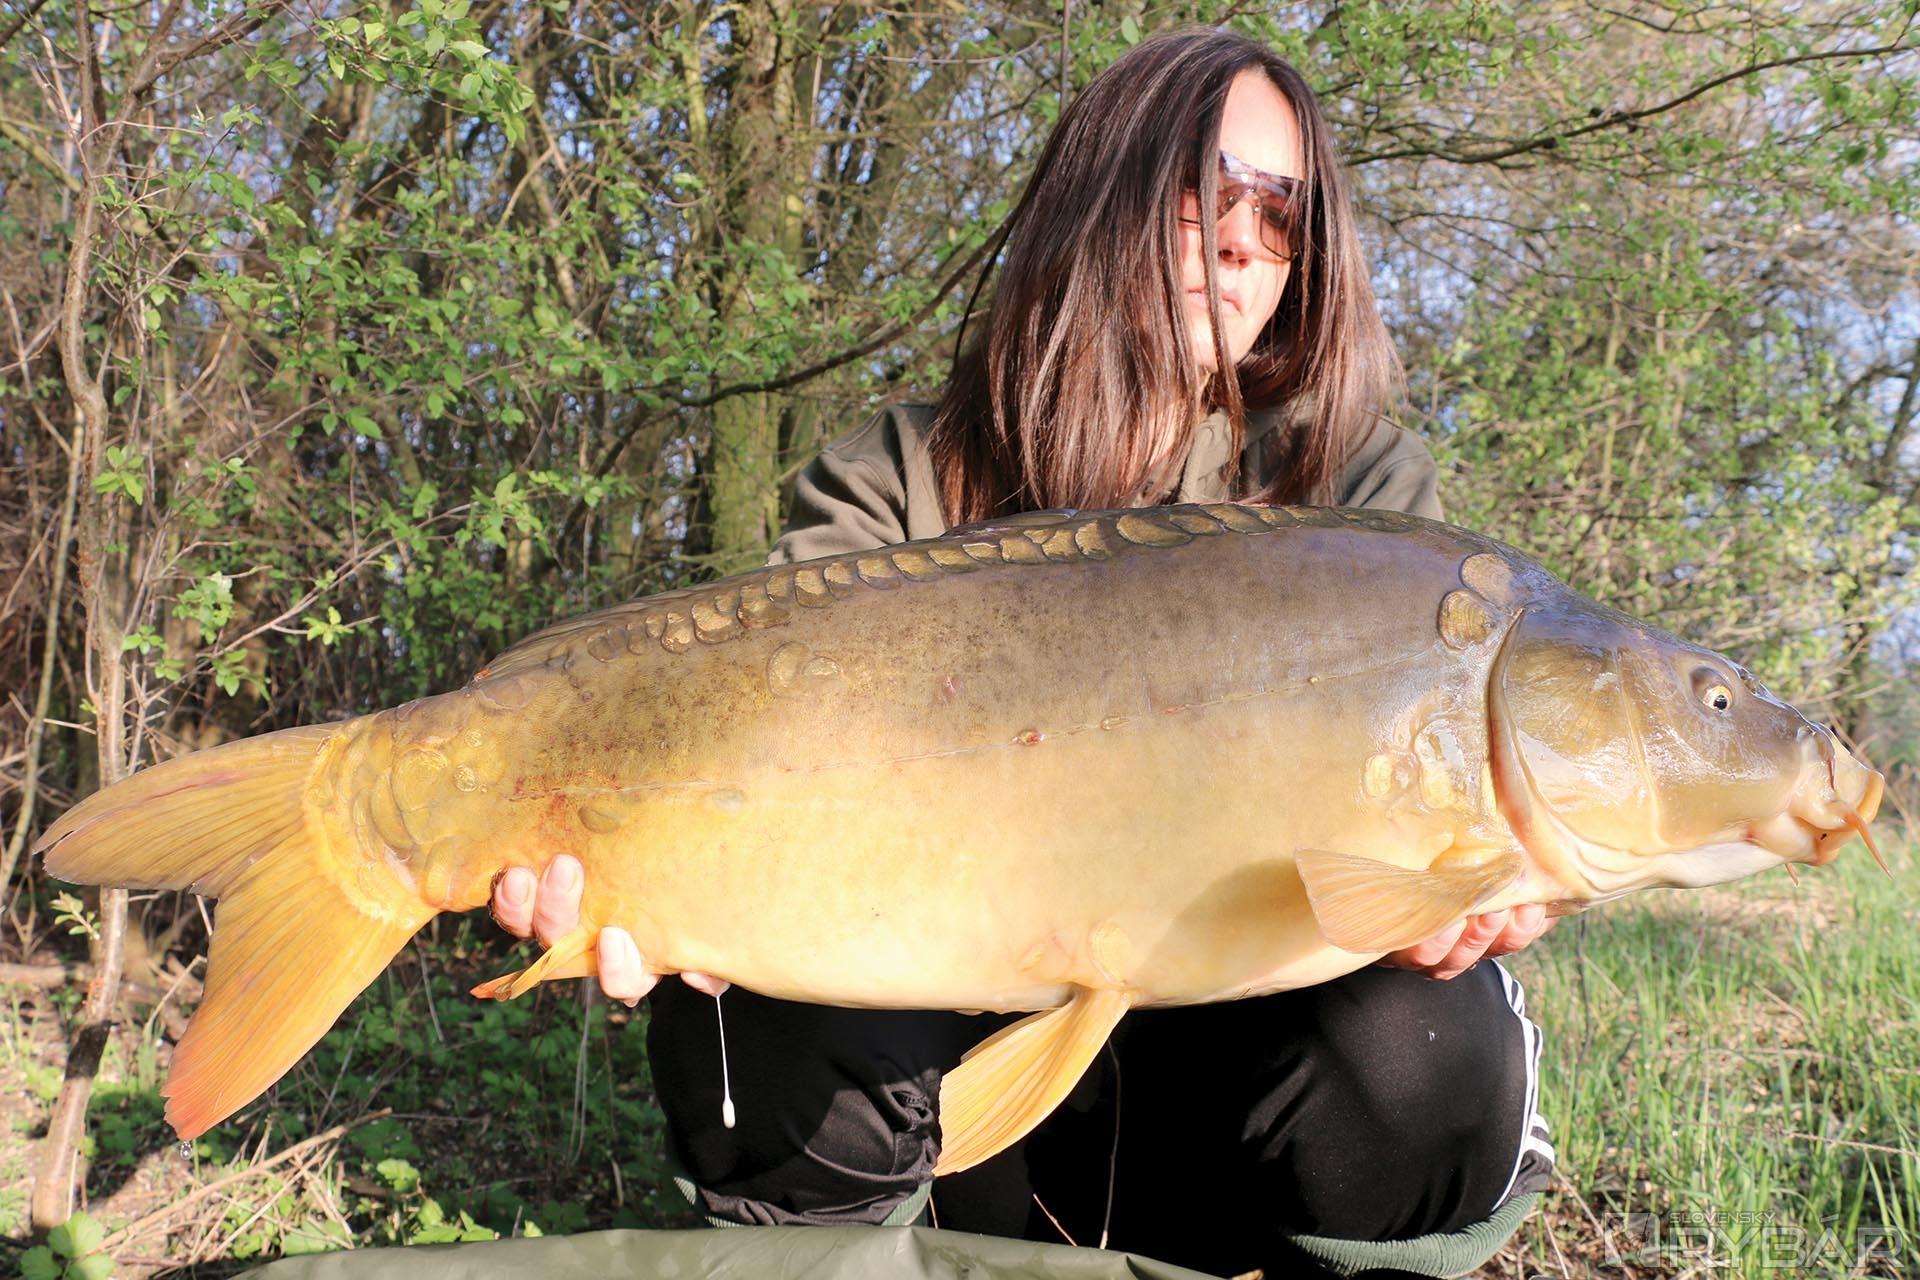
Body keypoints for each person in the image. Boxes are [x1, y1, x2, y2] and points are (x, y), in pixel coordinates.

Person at [492, 28, 1556, 1278]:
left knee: (1417, 1039)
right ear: (1102, 190)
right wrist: (612, 860)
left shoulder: (1361, 500)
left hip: (1218, 1125)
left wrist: (1498, 876)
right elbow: (739, 761)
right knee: (761, 983)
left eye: (1285, 213)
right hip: (953, 1131)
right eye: (1208, 189)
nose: (1241, 240)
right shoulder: (896, 480)